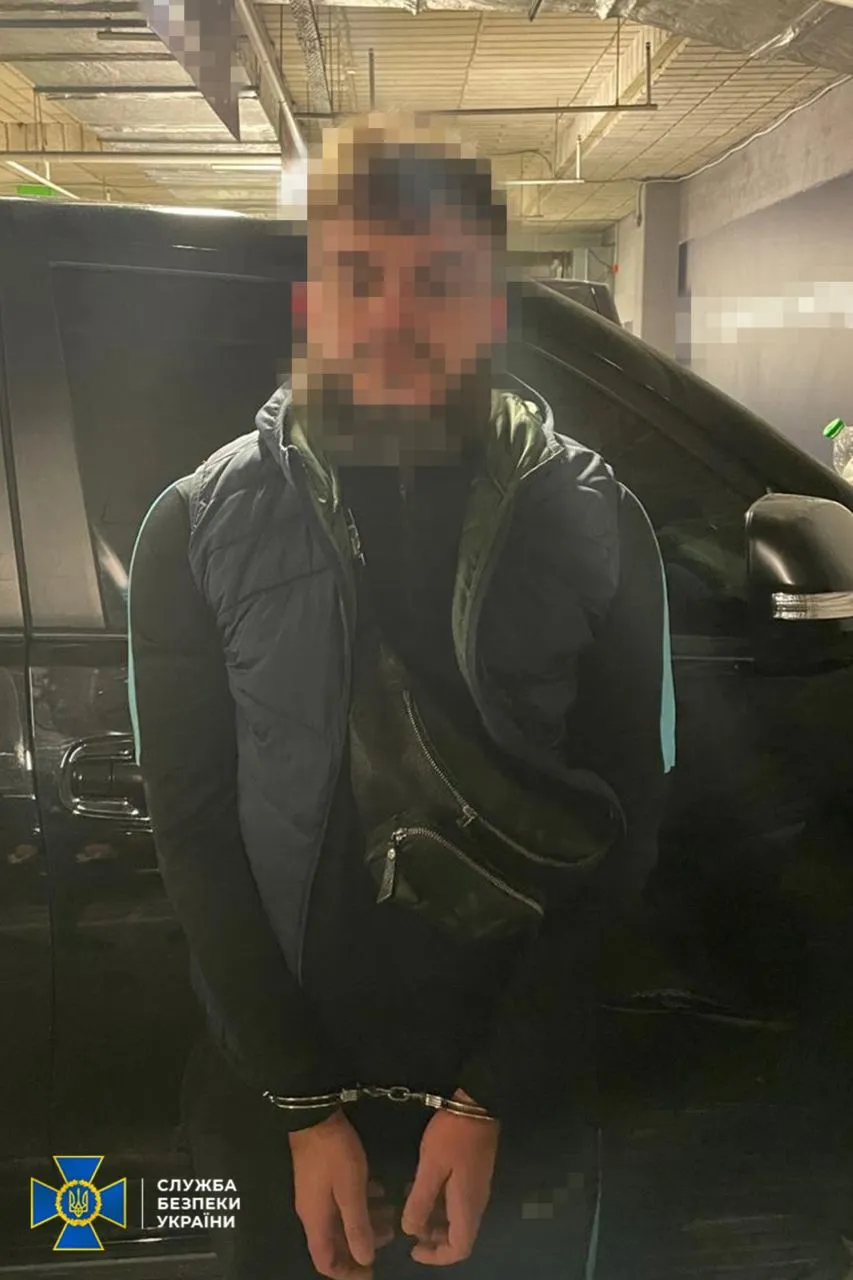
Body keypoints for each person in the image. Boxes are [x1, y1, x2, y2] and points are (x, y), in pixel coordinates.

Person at [128, 113, 673, 1279]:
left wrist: (489, 1098)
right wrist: (301, 1105)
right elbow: (194, 832)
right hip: (285, 1101)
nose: (393, 315)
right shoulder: (196, 527)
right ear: (310, 301)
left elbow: (626, 821)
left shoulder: (598, 523)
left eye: (437, 279)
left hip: (507, 1099)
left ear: (489, 306)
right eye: (360, 277)